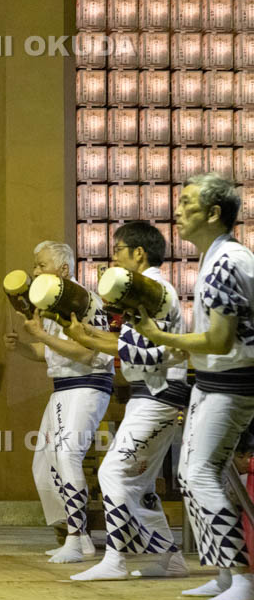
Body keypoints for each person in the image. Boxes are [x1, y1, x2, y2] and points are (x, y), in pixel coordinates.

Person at [134, 173, 254, 600]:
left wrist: (160, 338)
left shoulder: (226, 261)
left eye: (187, 203)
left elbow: (221, 341)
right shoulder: (216, 257)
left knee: (200, 473)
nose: (178, 211)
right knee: (196, 475)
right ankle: (225, 574)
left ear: (214, 212)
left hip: (231, 383)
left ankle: (242, 578)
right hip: (212, 381)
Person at [62, 222, 190, 581]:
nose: (114, 257)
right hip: (150, 394)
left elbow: (144, 354)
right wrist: (85, 333)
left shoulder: (157, 291)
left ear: (138, 253)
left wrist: (87, 339)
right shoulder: (146, 293)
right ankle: (170, 559)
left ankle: (116, 560)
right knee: (139, 483)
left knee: (112, 472)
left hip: (158, 394)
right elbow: (128, 344)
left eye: (118, 250)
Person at [4, 241, 114, 563]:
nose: (34, 271)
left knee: (67, 456)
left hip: (87, 385)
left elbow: (85, 352)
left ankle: (76, 539)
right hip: (64, 387)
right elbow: (49, 352)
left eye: (40, 265)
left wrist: (40, 335)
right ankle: (77, 537)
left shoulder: (82, 300)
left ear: (63, 269)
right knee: (45, 464)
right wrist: (23, 346)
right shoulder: (51, 303)